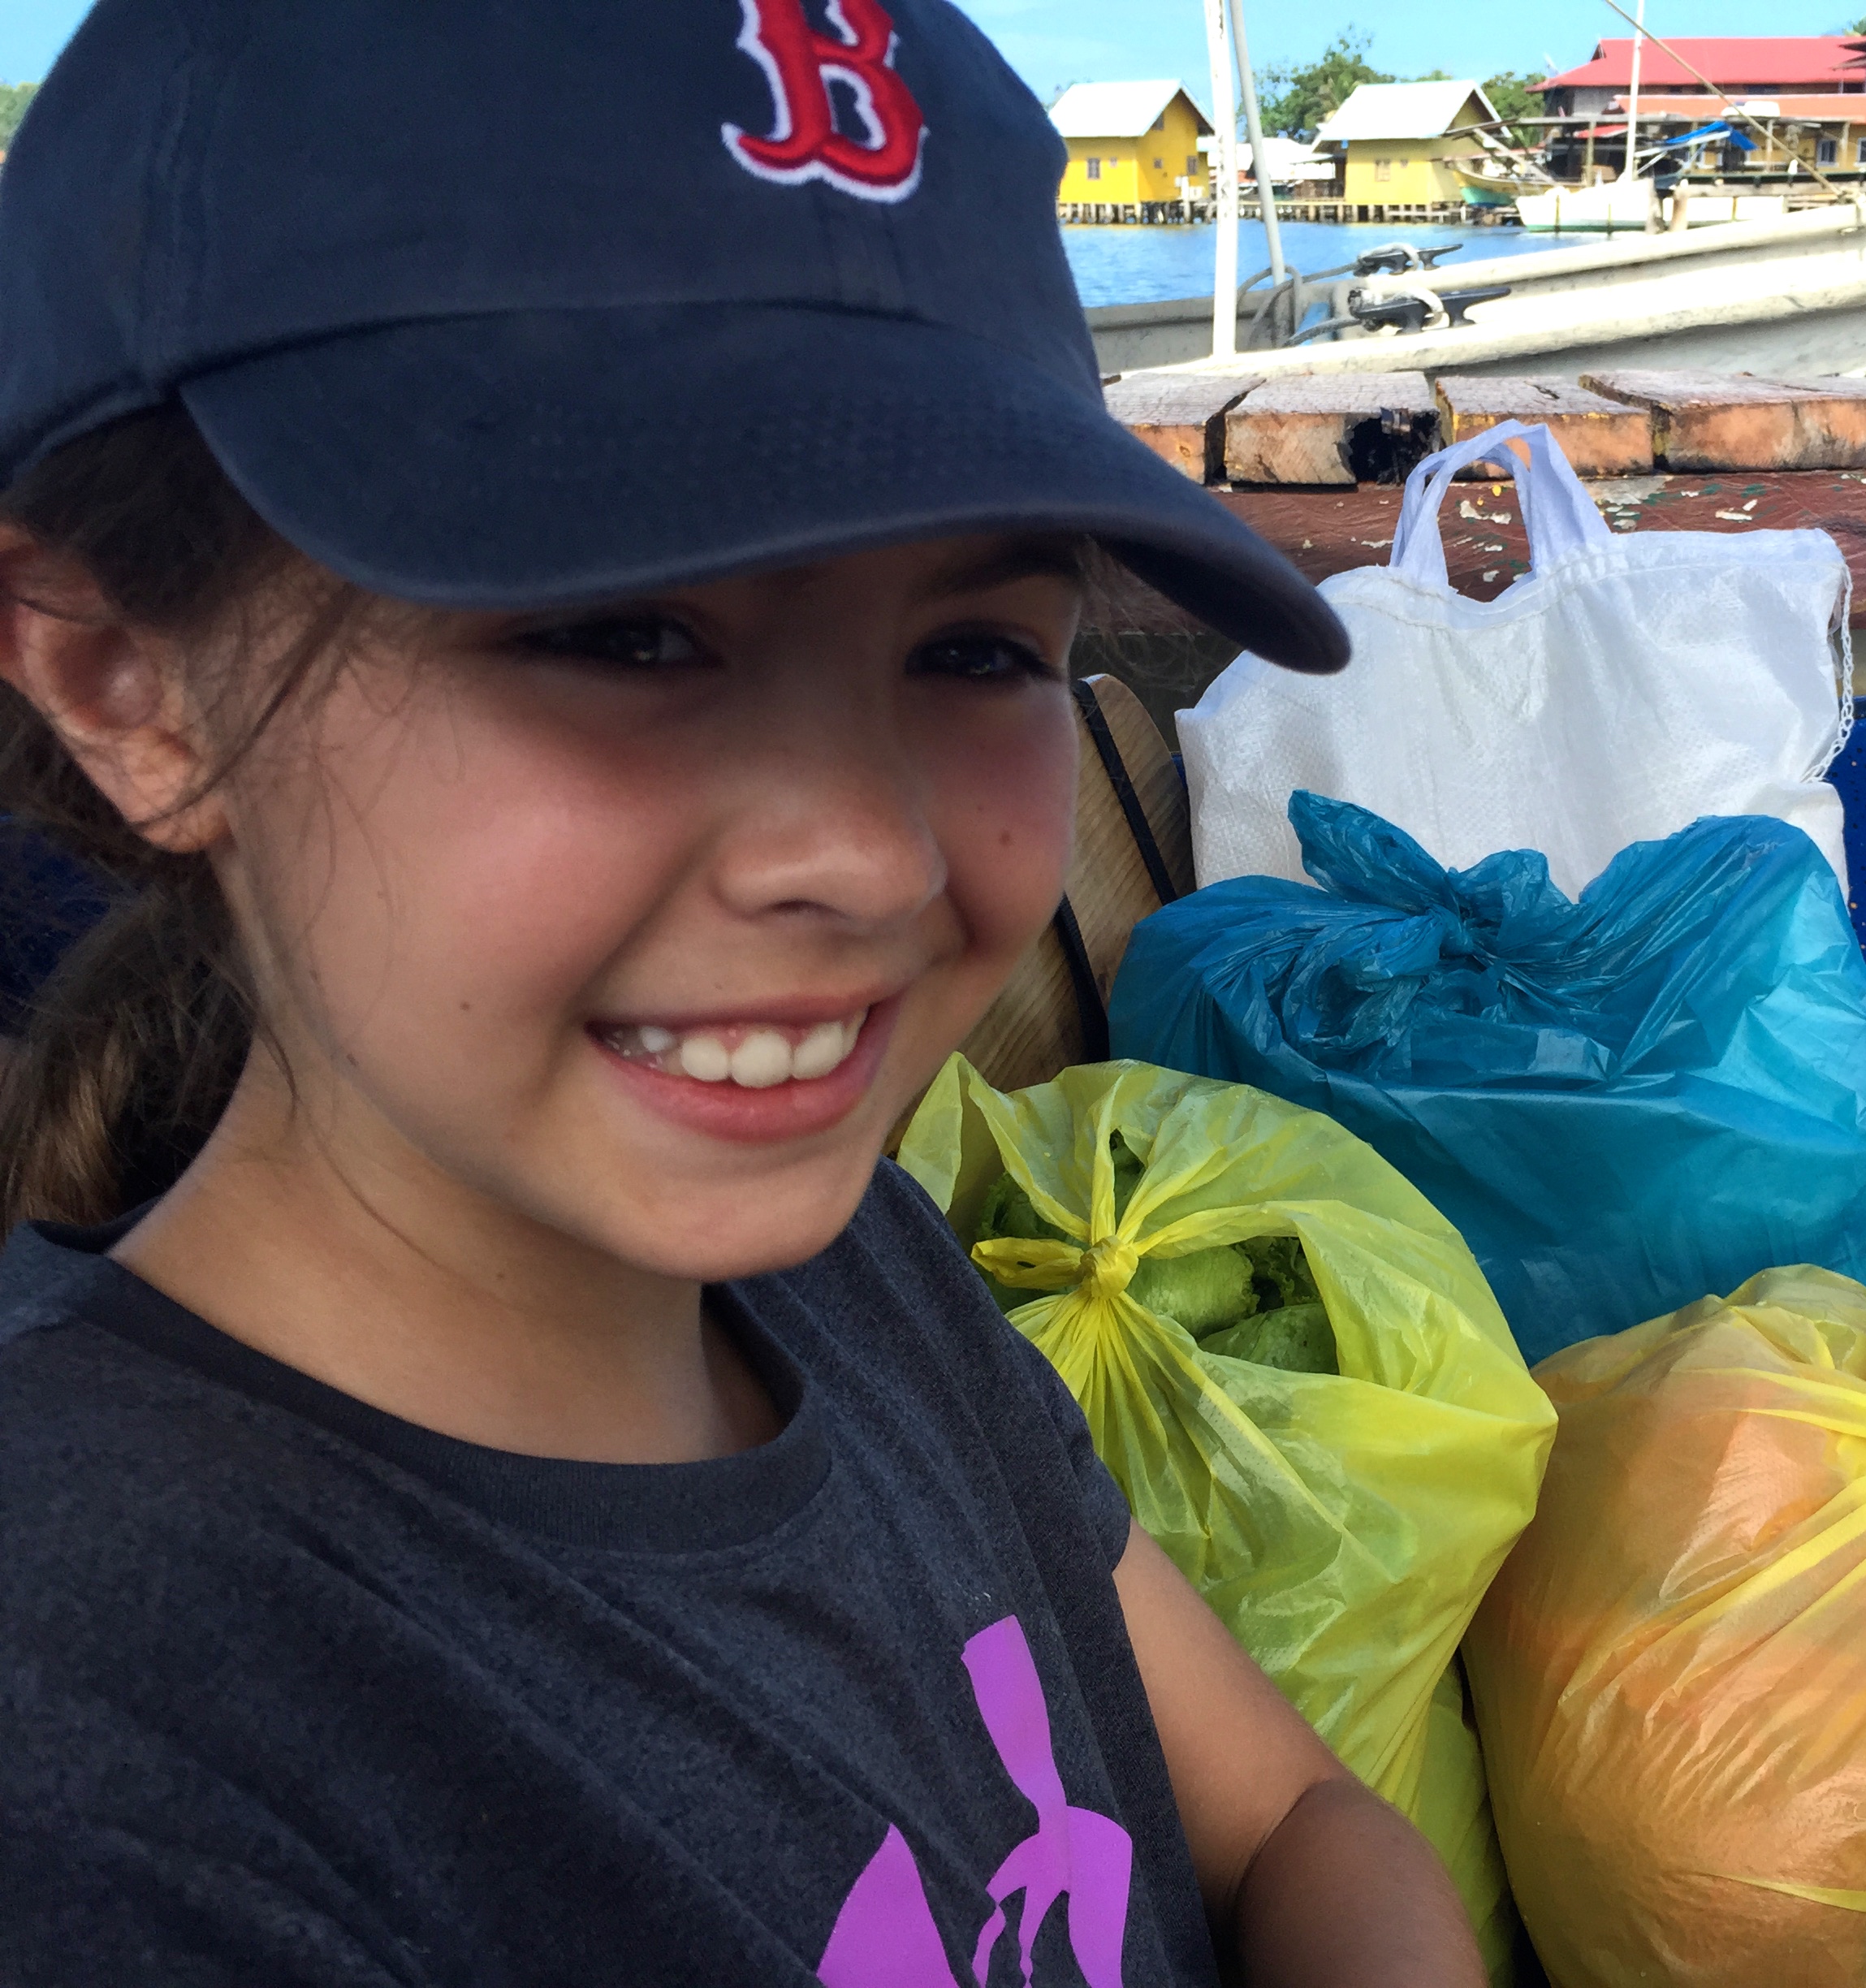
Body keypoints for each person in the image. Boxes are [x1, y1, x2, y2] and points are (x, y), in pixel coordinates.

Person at [0, 3, 1483, 1984]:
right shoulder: (111, 1757)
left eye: (974, 652)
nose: (867, 856)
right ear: (127, 684)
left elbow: (1296, 1818)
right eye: (628, 635)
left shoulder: (848, 1269)